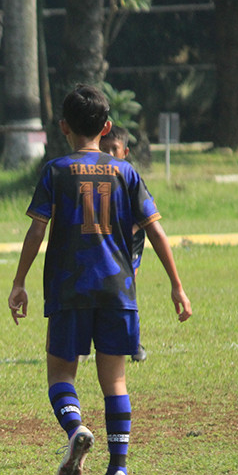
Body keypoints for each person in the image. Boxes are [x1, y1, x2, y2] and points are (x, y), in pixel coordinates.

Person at [7, 84, 192, 475]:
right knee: (116, 381)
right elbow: (156, 233)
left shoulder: (56, 170)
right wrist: (177, 286)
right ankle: (119, 470)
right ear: (107, 127)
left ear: (63, 127)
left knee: (60, 373)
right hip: (117, 290)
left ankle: (75, 430)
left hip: (69, 288)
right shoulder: (126, 172)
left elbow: (37, 231)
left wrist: (19, 282)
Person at [99, 126, 147, 362]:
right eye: (103, 148)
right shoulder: (94, 175)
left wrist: (125, 233)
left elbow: (144, 216)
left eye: (113, 149)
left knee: (125, 290)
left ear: (125, 152)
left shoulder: (128, 176)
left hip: (130, 244)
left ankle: (133, 342)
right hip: (106, 243)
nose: (108, 153)